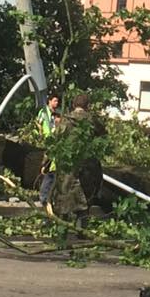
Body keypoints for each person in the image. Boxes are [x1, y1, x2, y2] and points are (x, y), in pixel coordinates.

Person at [50, 94, 105, 231]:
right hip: (88, 165)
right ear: (87, 106)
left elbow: (56, 140)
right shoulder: (92, 121)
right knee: (86, 198)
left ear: (74, 105)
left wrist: (47, 161)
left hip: (68, 164)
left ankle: (62, 230)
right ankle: (82, 230)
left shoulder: (65, 121)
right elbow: (103, 134)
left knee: (64, 195)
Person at [36, 94, 60, 205]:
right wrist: (40, 135)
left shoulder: (57, 114)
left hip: (54, 142)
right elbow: (38, 123)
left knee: (53, 170)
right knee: (49, 170)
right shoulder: (44, 112)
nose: (57, 103)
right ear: (49, 101)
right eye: (55, 101)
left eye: (57, 101)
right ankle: (44, 196)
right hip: (47, 141)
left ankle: (50, 196)